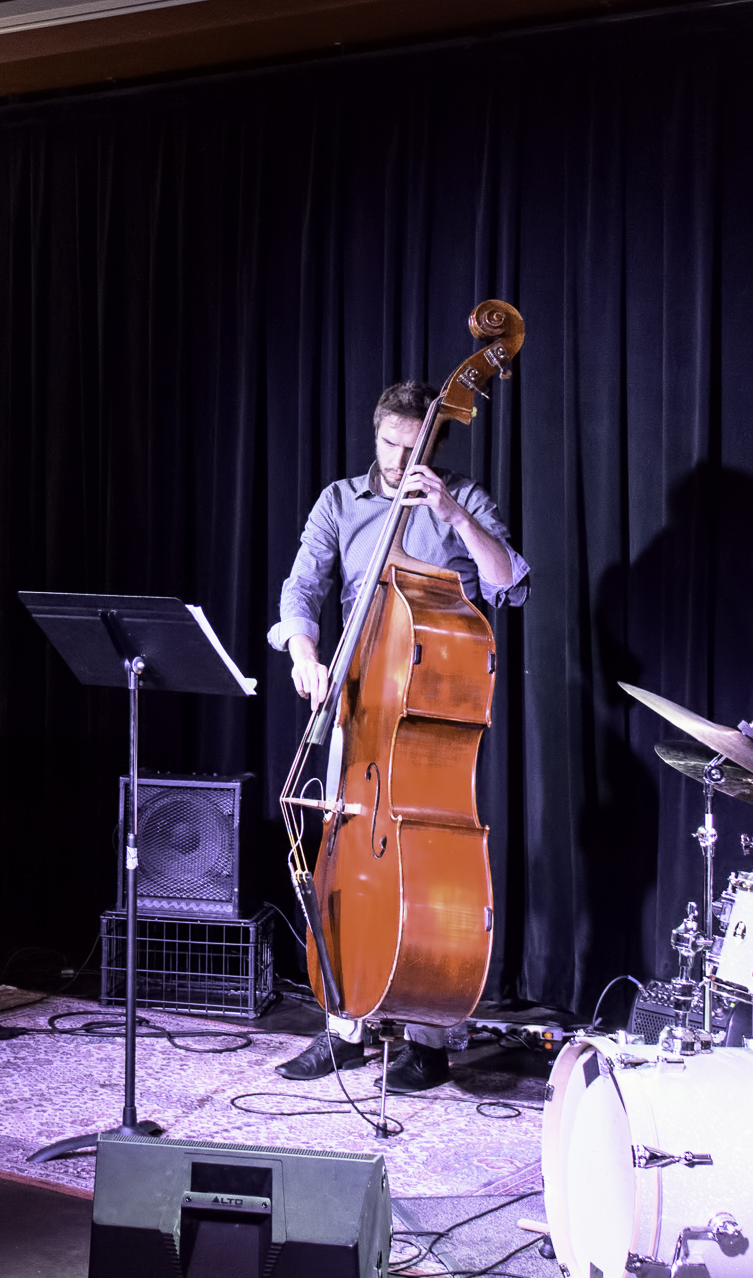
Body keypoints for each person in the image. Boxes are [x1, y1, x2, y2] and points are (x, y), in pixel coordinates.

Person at [267, 379, 530, 1093]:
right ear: (376, 433)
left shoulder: (463, 499)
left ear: (434, 444)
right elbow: (301, 588)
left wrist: (447, 508)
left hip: (431, 703)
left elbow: (508, 581)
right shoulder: (340, 501)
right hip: (356, 700)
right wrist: (305, 654)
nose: (398, 458)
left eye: (413, 448)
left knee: (429, 865)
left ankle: (428, 1034)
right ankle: (343, 1025)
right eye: (389, 444)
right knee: (347, 857)